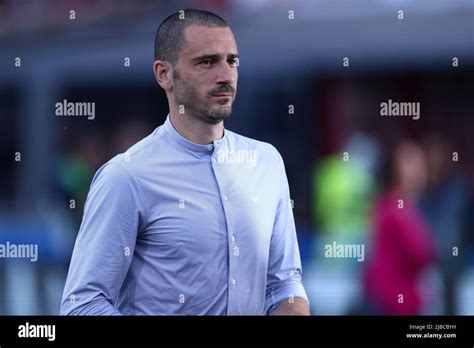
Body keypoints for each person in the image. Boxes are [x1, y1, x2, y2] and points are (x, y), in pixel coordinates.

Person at [60, 9, 309, 315]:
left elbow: (284, 285)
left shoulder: (267, 162)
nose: (225, 76)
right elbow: (82, 305)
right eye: (207, 62)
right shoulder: (126, 176)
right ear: (164, 74)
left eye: (232, 61)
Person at [363, 139, 436, 315]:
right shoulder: (395, 206)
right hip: (393, 301)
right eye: (410, 163)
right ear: (395, 170)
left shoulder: (402, 205)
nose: (418, 169)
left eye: (420, 162)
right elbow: (421, 252)